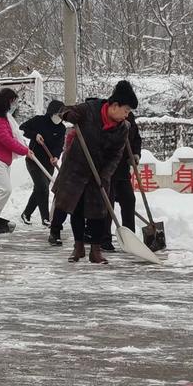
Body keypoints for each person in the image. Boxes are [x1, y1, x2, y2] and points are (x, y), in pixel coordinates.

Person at [52, 80, 137, 264]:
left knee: (99, 211)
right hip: (76, 168)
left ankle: (95, 251)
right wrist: (68, 114)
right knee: (77, 209)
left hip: (100, 171)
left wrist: (105, 175)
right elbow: (64, 110)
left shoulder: (123, 128)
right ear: (115, 106)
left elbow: (116, 154)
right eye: (126, 110)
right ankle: (78, 247)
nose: (126, 115)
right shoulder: (90, 109)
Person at [0, 88, 33, 223]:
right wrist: (24, 150)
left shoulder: (4, 117)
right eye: (12, 101)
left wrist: (25, 147)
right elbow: (6, 140)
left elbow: (14, 135)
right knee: (5, 190)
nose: (14, 105)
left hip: (3, 159)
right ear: (6, 101)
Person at [19, 100, 66, 230]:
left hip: (48, 162)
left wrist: (56, 156)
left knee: (39, 189)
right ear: (52, 112)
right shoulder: (39, 121)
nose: (60, 117)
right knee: (42, 187)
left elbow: (59, 145)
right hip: (33, 159)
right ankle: (45, 218)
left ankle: (26, 214)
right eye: (59, 113)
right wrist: (35, 135)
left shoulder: (61, 128)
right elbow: (22, 128)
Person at [100, 111, 141, 251]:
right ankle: (104, 238)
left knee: (129, 200)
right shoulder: (108, 117)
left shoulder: (129, 118)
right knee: (108, 203)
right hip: (108, 169)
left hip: (123, 169)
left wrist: (135, 154)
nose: (126, 111)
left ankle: (130, 238)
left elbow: (136, 138)